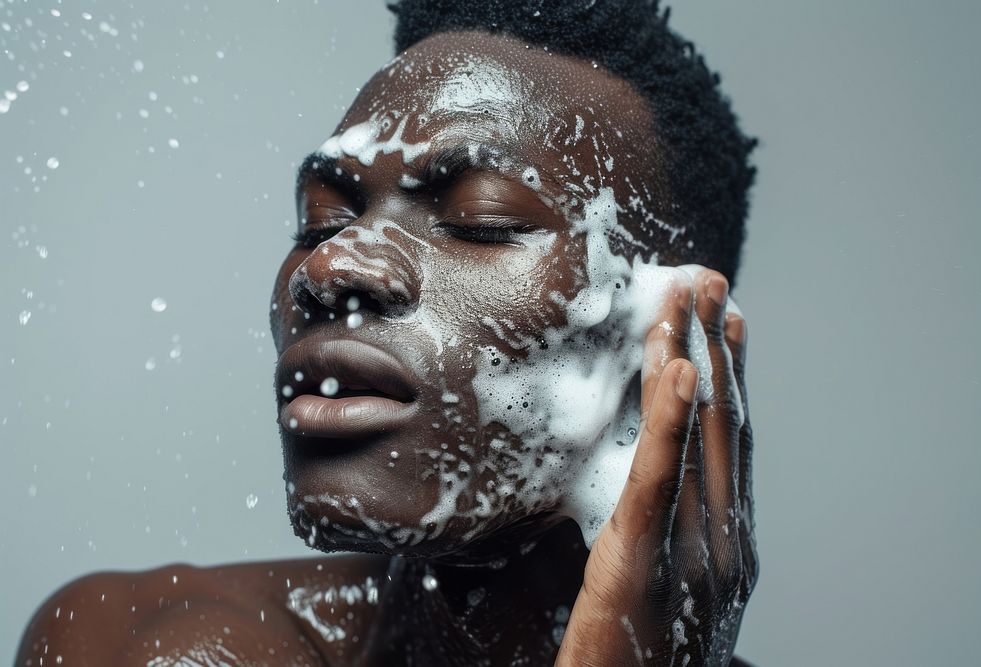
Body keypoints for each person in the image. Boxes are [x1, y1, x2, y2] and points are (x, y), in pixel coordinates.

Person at [17, 1, 758, 664]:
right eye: (322, 220)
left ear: (671, 336)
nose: (331, 265)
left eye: (479, 220)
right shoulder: (163, 645)